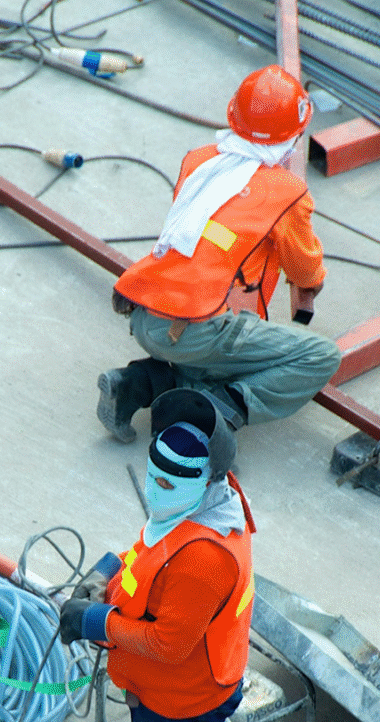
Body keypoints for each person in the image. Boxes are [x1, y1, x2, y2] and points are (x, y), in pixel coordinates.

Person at [98, 64, 343, 442]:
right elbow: (304, 267)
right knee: (319, 355)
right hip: (194, 327)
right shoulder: (286, 192)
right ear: (293, 136)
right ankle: (215, 412)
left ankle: (136, 384)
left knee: (221, 347)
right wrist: (313, 283)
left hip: (144, 312)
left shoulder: (199, 160)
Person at [59, 389, 258, 722]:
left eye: (167, 483)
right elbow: (150, 554)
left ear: (207, 478)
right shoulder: (198, 506)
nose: (155, 490)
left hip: (181, 704)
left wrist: (97, 621)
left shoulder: (204, 556)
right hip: (200, 689)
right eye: (153, 476)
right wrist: (105, 573)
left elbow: (169, 644)